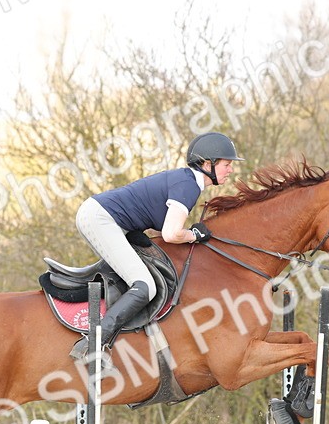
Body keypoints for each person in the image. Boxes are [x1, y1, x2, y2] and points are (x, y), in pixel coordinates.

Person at [69, 131, 245, 363]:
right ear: (206, 164)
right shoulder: (188, 185)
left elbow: (165, 230)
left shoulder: (185, 180)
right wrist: (193, 235)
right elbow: (172, 234)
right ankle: (92, 343)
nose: (230, 170)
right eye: (226, 164)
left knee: (137, 277)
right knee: (145, 287)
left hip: (104, 217)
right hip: (102, 219)